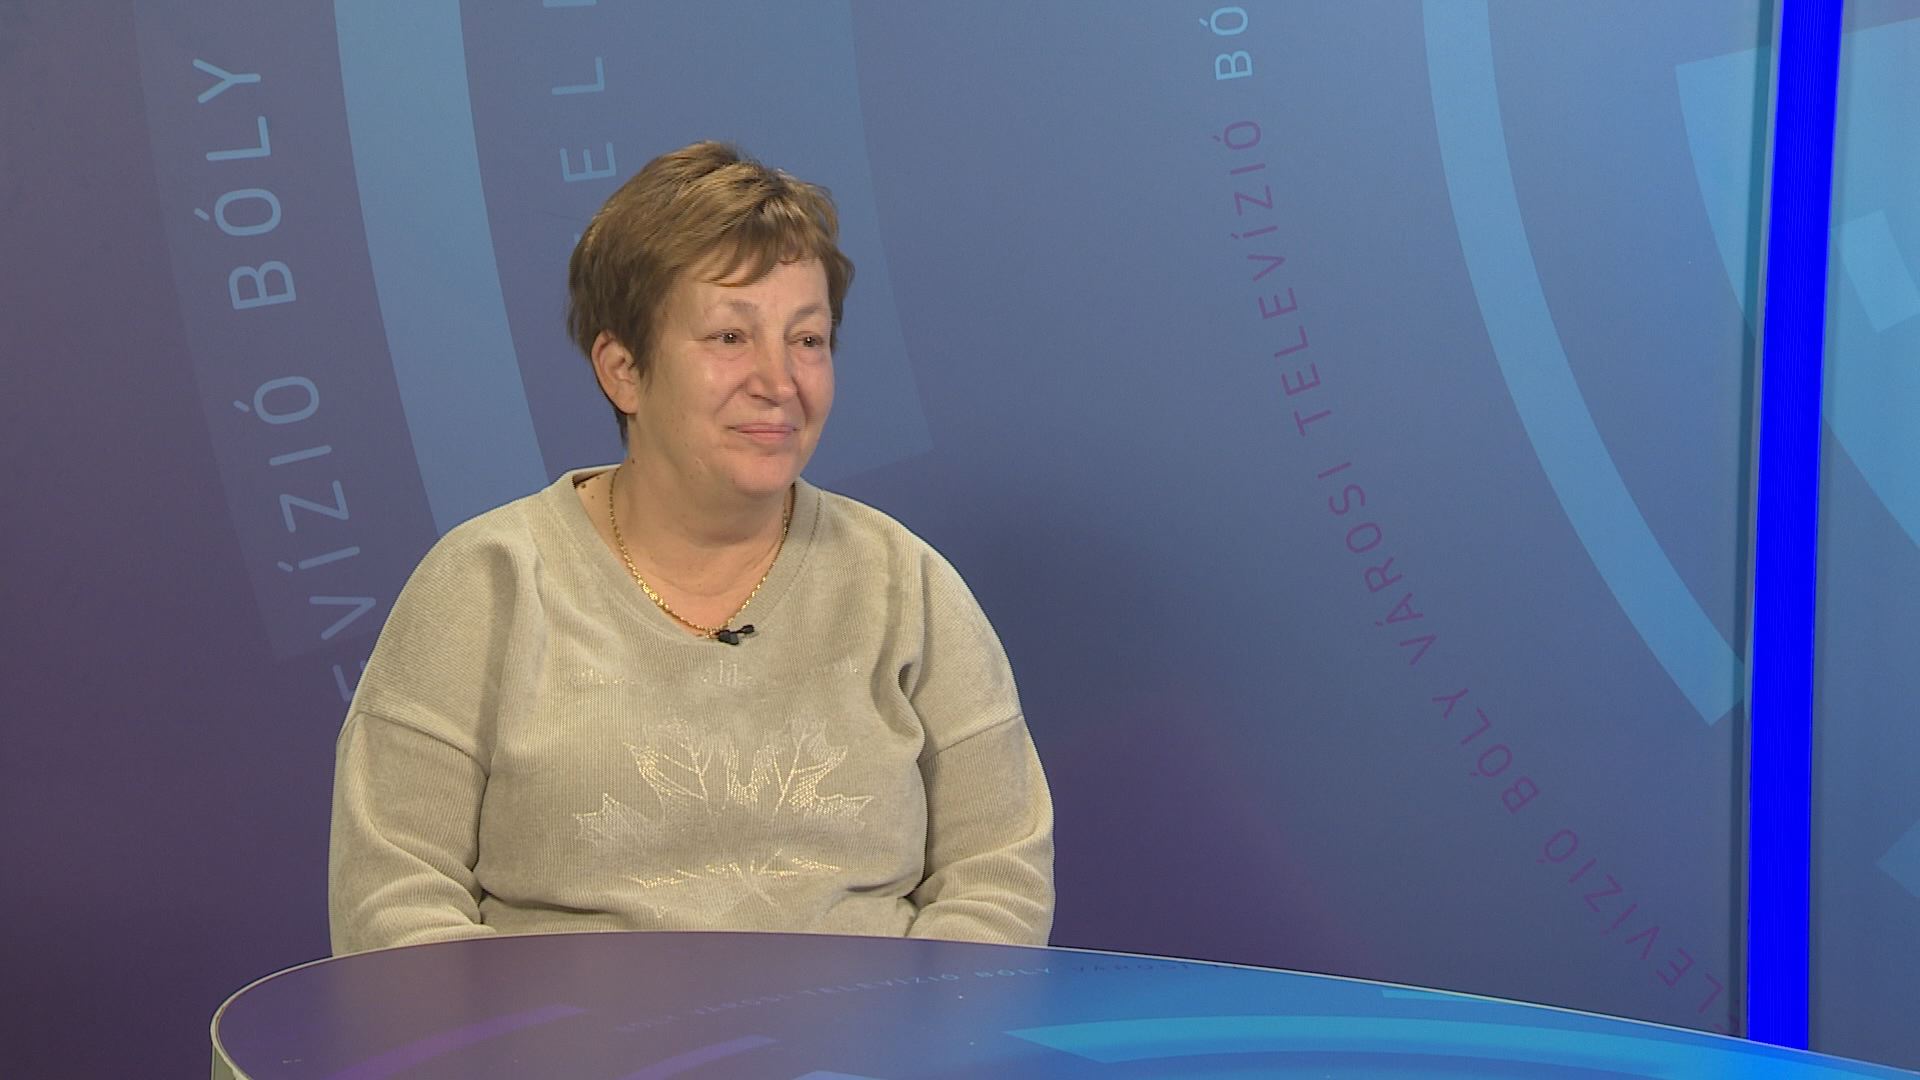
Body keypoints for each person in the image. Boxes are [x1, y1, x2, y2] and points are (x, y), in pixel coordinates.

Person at [327, 142, 1054, 954]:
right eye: (730, 337)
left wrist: (925, 1021)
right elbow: (392, 898)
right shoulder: (486, 583)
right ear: (622, 370)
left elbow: (998, 875)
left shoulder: (905, 584)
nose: (779, 381)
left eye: (808, 340)